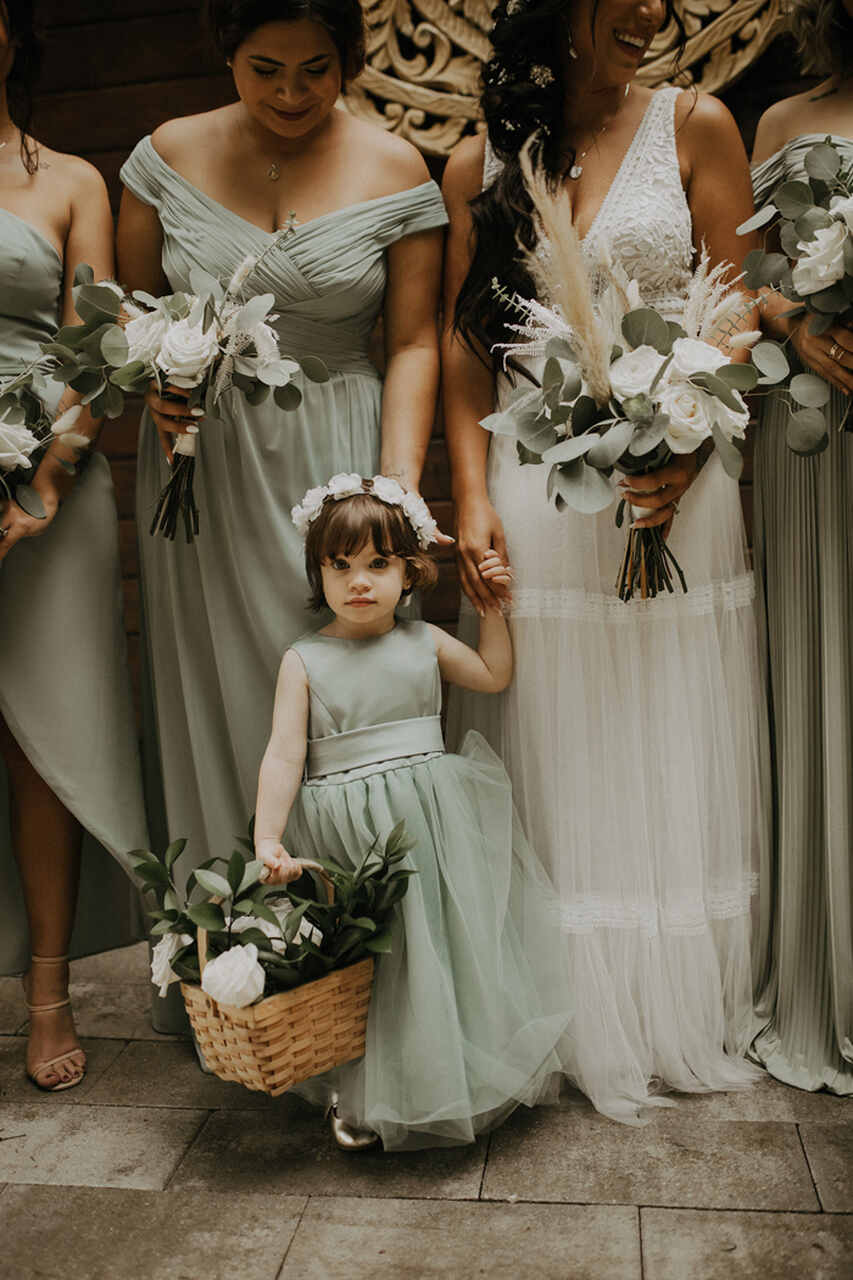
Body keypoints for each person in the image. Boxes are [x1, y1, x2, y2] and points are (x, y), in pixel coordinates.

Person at [441, 0, 769, 1121]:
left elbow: (740, 314)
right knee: (562, 729)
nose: (646, 11)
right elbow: (463, 345)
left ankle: (676, 1000)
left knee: (670, 723)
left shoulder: (699, 124)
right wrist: (472, 498)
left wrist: (682, 439)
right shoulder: (479, 157)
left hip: (677, 473)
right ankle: (566, 1005)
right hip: (537, 485)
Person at [116, 0, 447, 1029]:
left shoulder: (396, 168)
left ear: (348, 60)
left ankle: (362, 987)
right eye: (267, 70)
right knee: (228, 702)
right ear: (225, 55)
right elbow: (128, 309)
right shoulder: (162, 157)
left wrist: (386, 498)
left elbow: (412, 344)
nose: (295, 95)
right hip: (199, 473)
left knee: (347, 713)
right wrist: (151, 381)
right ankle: (238, 985)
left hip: (335, 464)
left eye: (318, 70)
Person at [254, 474, 572, 1151]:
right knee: (376, 960)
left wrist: (493, 606)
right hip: (350, 832)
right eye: (339, 566)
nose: (358, 581)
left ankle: (449, 1073)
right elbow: (284, 754)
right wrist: (268, 835)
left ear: (410, 570)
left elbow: (492, 675)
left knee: (437, 949)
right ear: (317, 572)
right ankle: (364, 1086)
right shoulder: (305, 659)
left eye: (377, 563)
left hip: (426, 822)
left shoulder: (422, 641)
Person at [0, 0, 147, 1089]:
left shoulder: (71, 181)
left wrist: (39, 476)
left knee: (40, 739)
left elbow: (101, 342)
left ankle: (49, 994)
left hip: (51, 476)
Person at [748, 0, 853, 1095]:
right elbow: (751, 278)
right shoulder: (781, 118)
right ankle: (823, 969)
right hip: (812, 436)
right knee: (822, 676)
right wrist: (801, 327)